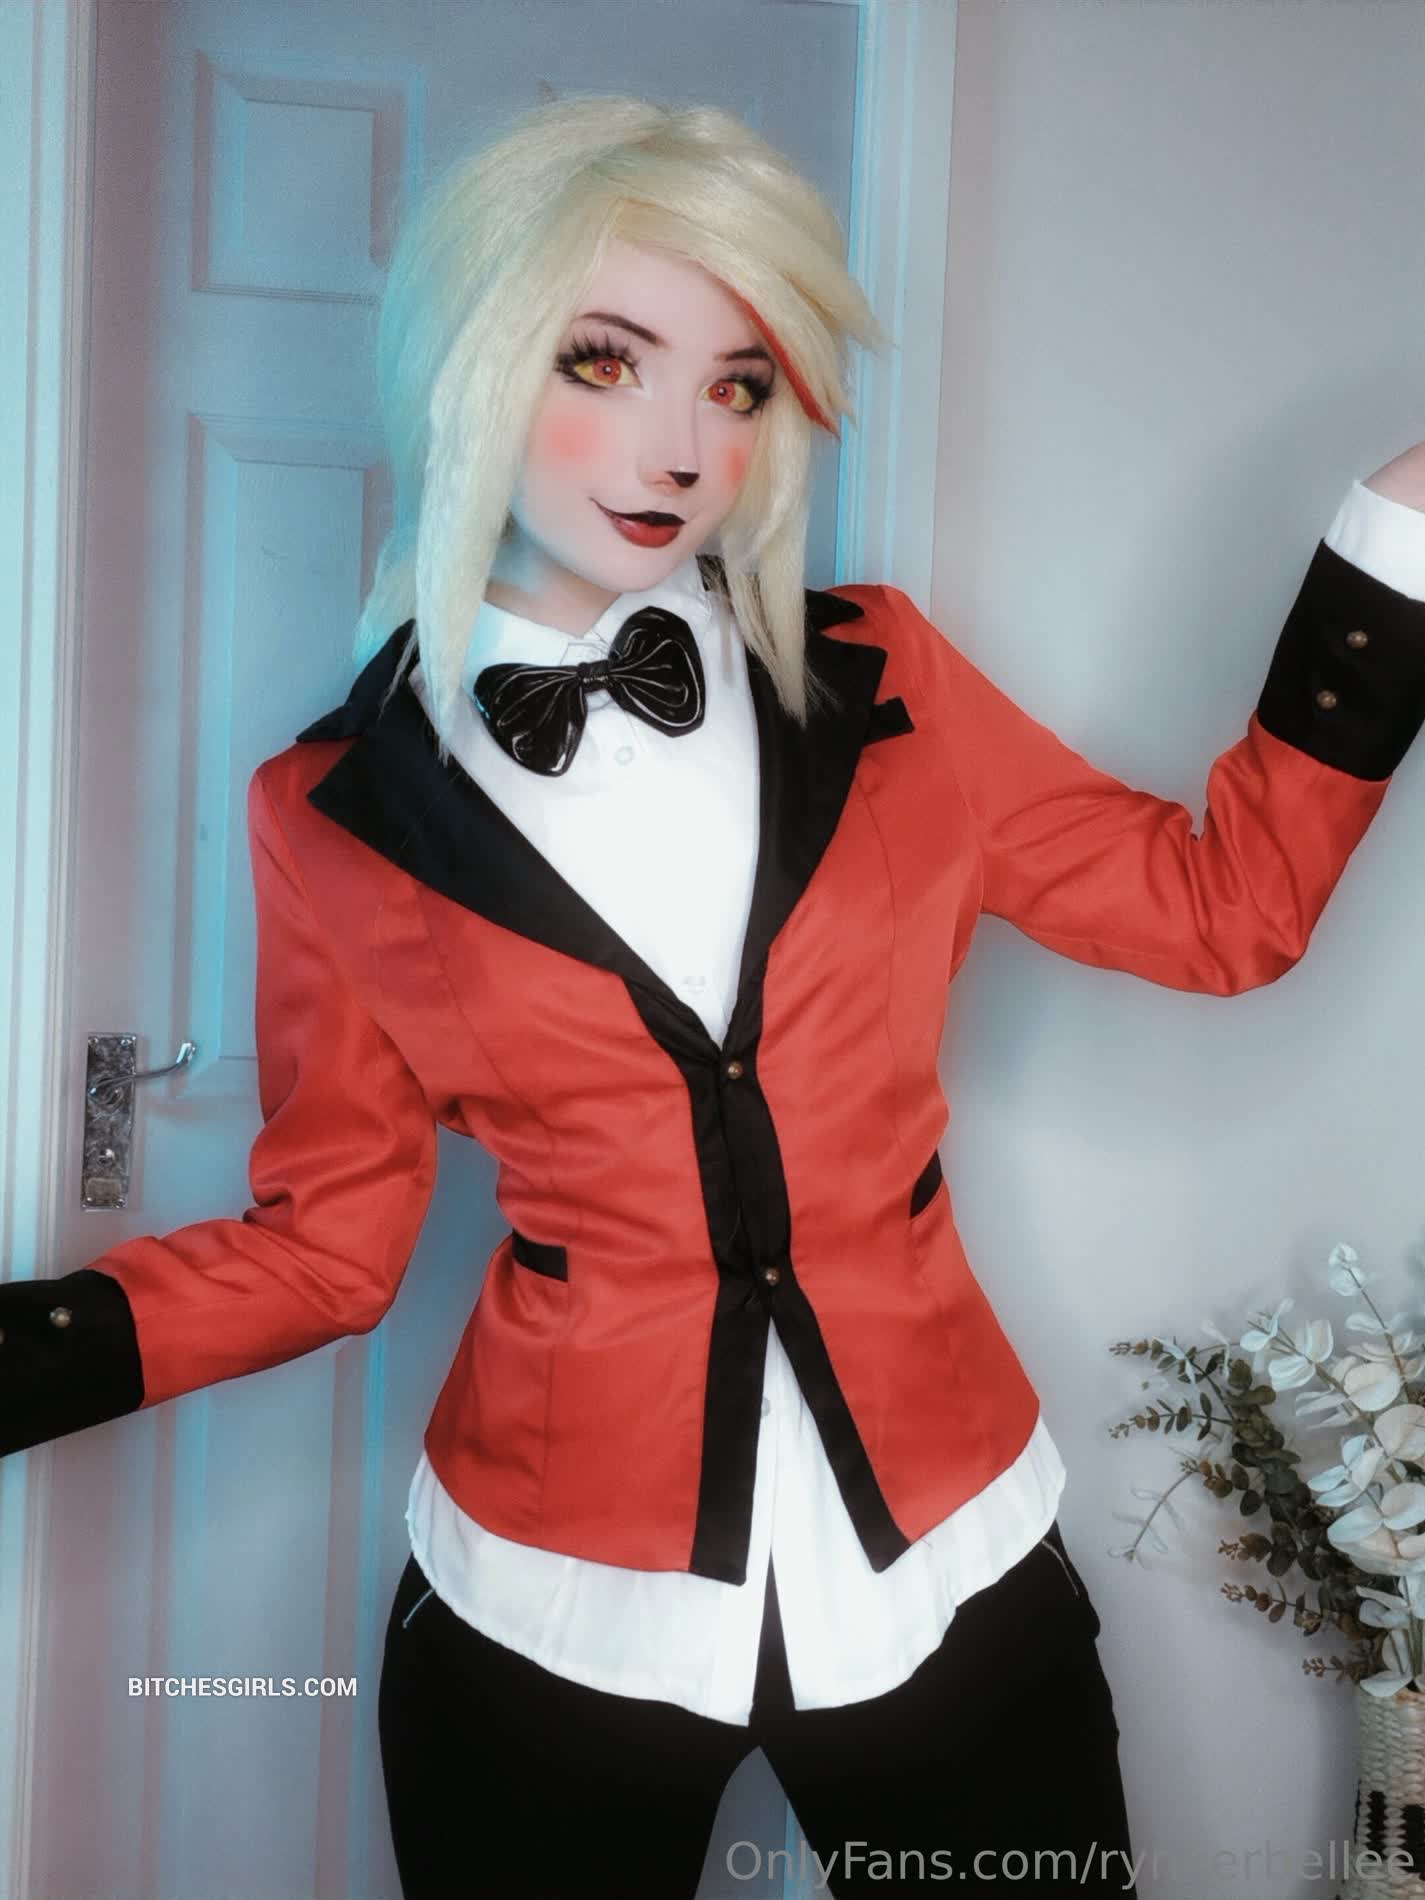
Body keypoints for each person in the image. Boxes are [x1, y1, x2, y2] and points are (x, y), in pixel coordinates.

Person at [4, 93, 1425, 1900]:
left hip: (943, 1559)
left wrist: (1396, 538)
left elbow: (1225, 912)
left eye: (738, 385)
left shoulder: (889, 684)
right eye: (603, 362)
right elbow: (325, 1252)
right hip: (550, 1603)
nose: (679, 447)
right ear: (472, 364)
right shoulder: (330, 814)